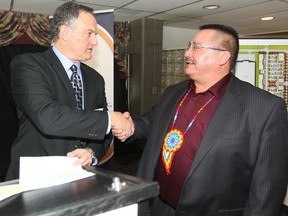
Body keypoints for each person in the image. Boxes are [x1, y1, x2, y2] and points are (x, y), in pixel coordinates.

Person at [113, 24, 288, 215]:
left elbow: (268, 187)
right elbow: (151, 122)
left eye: (196, 47)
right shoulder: (174, 92)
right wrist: (129, 125)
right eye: (189, 46)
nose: (187, 53)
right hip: (161, 206)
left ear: (223, 56)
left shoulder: (264, 108)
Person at [5, 1, 133, 180]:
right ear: (65, 32)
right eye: (89, 34)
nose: (95, 42)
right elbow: (48, 117)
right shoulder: (29, 66)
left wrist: (91, 152)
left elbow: (102, 132)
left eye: (95, 35)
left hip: (78, 178)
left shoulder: (95, 79)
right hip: (34, 178)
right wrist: (111, 119)